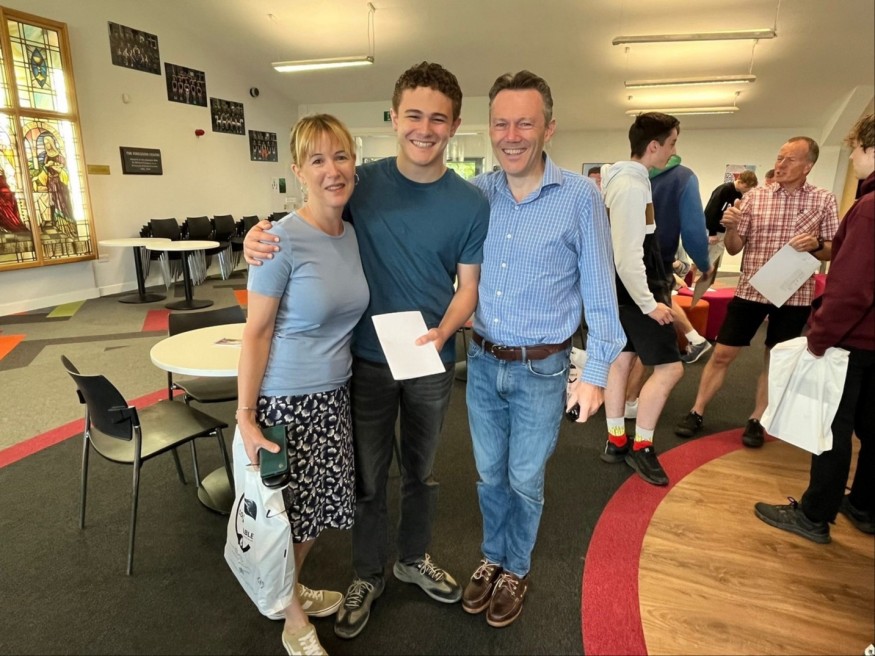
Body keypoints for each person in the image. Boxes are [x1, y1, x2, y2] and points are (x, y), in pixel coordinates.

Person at [244, 62, 490, 640]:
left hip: (429, 359)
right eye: (413, 115)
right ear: (395, 118)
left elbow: (468, 287)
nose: (424, 129)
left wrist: (444, 332)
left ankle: (413, 558)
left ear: (454, 125)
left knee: (422, 473)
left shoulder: (470, 202)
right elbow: (311, 220)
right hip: (363, 360)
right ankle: (368, 574)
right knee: (368, 478)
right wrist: (258, 235)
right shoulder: (361, 182)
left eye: (438, 119)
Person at [460, 71, 624, 627]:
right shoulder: (477, 194)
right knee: (488, 474)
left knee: (524, 478)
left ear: (548, 128)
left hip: (543, 368)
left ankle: (516, 567)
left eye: (524, 124)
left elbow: (601, 292)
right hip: (482, 360)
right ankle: (492, 556)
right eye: (501, 124)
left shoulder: (579, 197)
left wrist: (596, 373)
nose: (511, 136)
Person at [236, 114, 370, 656]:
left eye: (340, 156)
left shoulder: (350, 233)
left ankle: (285, 589)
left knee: (314, 515)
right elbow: (256, 332)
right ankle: (292, 620)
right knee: (283, 520)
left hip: (333, 397)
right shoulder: (277, 240)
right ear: (298, 171)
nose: (331, 170)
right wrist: (246, 416)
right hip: (284, 403)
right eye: (317, 160)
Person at [754, 113, 874, 543]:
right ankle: (864, 505)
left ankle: (813, 516)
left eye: (856, 149)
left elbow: (853, 289)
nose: (854, 158)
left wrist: (818, 338)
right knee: (870, 426)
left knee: (831, 427)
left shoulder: (868, 209)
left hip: (853, 339)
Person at [675, 136, 839, 446]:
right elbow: (734, 248)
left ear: (808, 166)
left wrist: (817, 244)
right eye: (779, 157)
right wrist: (731, 227)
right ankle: (697, 410)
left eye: (790, 159)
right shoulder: (755, 197)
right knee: (723, 353)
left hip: (794, 295)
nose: (781, 164)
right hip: (750, 291)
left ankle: (757, 419)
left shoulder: (824, 199)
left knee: (775, 359)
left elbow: (832, 248)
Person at [597, 113, 685, 487]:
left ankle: (617, 439)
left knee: (622, 361)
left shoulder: (624, 179)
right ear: (653, 146)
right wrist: (650, 304)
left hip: (625, 290)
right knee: (670, 369)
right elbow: (627, 256)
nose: (673, 151)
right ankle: (642, 446)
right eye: (672, 143)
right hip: (636, 293)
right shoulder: (632, 186)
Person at [649, 154, 713, 363]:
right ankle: (695, 339)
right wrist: (704, 264)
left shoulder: (679, 177)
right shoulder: (680, 177)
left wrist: (703, 263)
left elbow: (693, 230)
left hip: (647, 260)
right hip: (652, 260)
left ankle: (694, 339)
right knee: (656, 305)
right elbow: (694, 230)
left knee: (644, 331)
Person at [704, 170, 758, 267]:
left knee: (713, 260)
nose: (747, 190)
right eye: (746, 187)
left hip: (723, 231)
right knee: (704, 261)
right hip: (714, 230)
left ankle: (706, 275)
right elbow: (711, 211)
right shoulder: (724, 189)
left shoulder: (740, 194)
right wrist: (712, 233)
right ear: (740, 181)